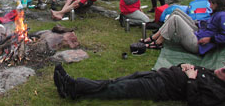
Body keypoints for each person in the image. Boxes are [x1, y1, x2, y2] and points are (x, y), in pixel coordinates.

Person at [53, 63, 225, 106]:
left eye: (224, 72)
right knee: (115, 82)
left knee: (117, 88)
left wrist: (191, 79)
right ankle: (73, 89)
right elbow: (186, 68)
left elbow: (195, 102)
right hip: (158, 74)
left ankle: (71, 85)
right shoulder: (212, 73)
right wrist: (183, 66)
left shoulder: (218, 92)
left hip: (160, 88)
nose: (221, 69)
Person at [141, 0, 225, 53]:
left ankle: (158, 42)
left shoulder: (222, 16)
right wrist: (196, 23)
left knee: (175, 19)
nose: (210, 6)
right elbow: (209, 25)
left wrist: (210, 39)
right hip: (199, 31)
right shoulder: (217, 13)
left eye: (211, 4)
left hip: (198, 44)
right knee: (177, 11)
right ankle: (155, 36)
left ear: (217, 4)